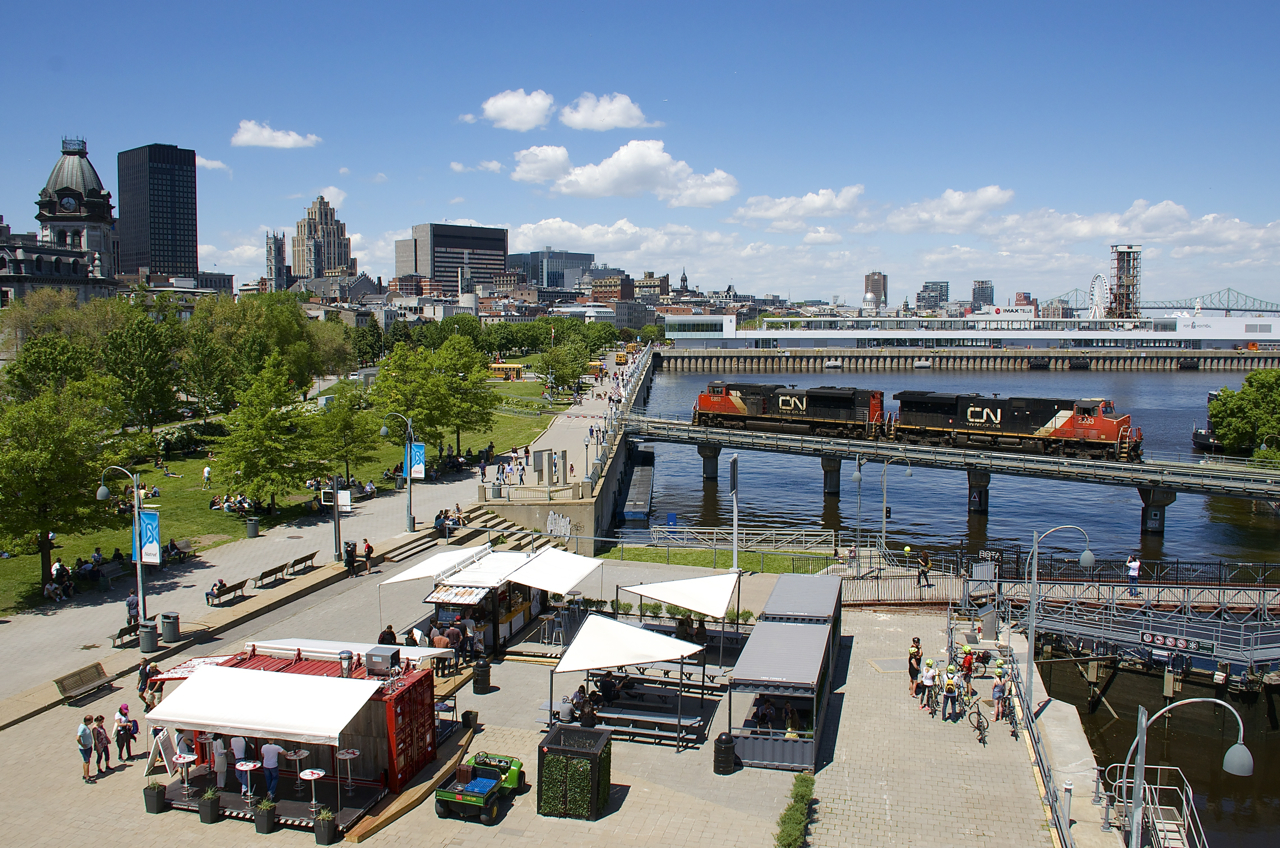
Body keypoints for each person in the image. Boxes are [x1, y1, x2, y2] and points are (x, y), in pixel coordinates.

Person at [76, 714, 96, 784]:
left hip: (88, 747)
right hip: (85, 749)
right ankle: (87, 778)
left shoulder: (85, 726)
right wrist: (82, 744)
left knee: (86, 761)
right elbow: (78, 738)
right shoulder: (82, 728)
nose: (91, 722)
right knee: (86, 762)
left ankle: (85, 774)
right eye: (91, 721)